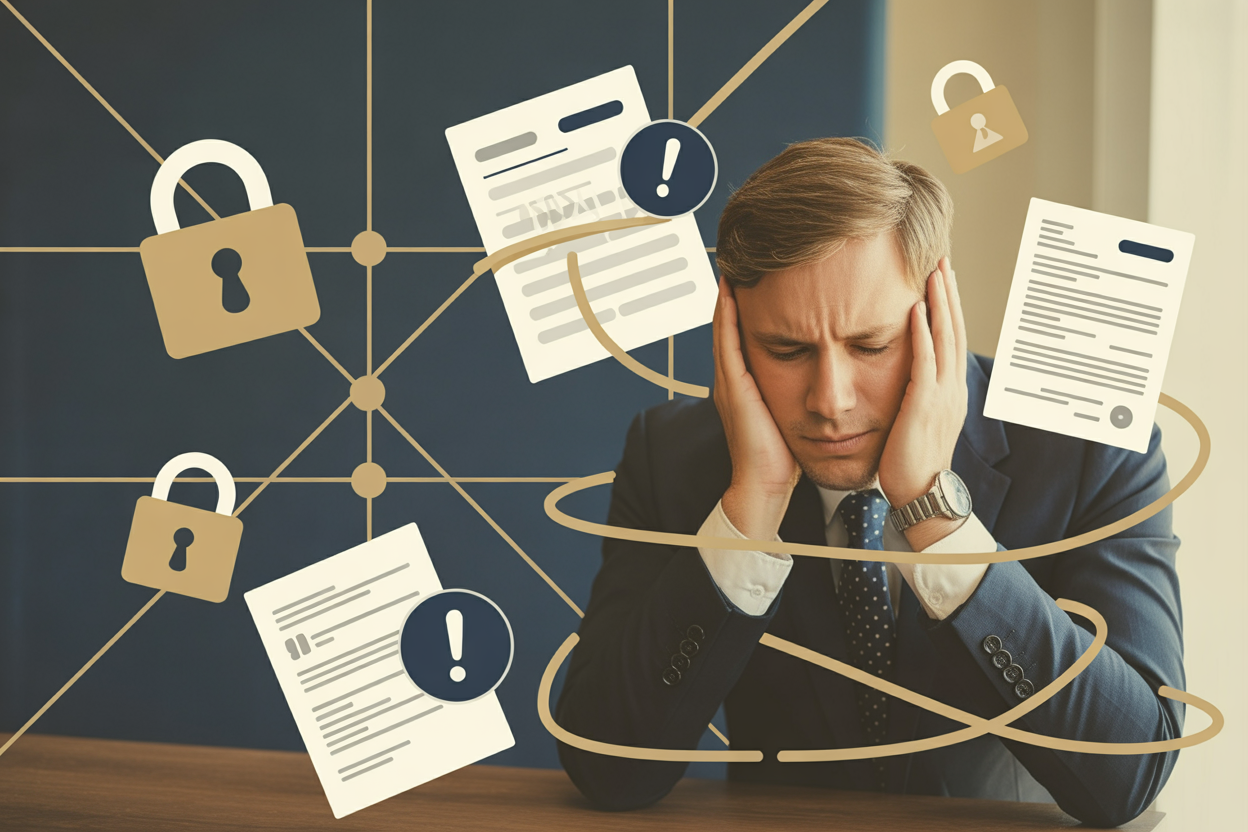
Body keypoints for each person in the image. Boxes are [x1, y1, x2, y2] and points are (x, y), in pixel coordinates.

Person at [554, 138, 1184, 828]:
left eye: (871, 346)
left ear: (936, 312)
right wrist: (748, 511)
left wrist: (935, 516)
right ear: (730, 331)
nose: (831, 399)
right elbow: (607, 769)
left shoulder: (1090, 446)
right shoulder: (671, 456)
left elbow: (1133, 771)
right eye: (786, 350)